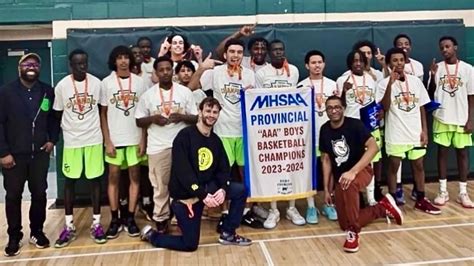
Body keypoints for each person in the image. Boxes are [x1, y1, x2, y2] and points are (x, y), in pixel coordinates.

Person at [140, 97, 252, 250]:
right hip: (187, 196)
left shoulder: (215, 140)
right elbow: (183, 173)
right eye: (208, 111)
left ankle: (228, 233)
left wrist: (223, 189)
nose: (211, 115)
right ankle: (152, 236)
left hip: (206, 190)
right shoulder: (184, 137)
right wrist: (203, 195)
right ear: (200, 112)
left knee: (240, 190)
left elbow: (224, 170)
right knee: (190, 244)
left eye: (215, 112)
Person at [319, 95, 403, 253]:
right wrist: (326, 189)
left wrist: (353, 171)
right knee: (343, 223)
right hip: (341, 177)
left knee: (347, 184)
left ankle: (353, 233)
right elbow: (326, 160)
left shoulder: (355, 125)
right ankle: (381, 208)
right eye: (330, 108)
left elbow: (373, 147)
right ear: (326, 111)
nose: (334, 110)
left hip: (361, 170)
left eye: (337, 107)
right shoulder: (324, 130)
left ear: (343, 108)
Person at [199, 38, 263, 228]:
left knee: (246, 173)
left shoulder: (250, 75)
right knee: (223, 175)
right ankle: (224, 213)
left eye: (239, 52)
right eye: (232, 51)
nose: (235, 55)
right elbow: (193, 86)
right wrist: (202, 68)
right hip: (222, 131)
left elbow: (258, 102)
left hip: (244, 131)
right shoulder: (215, 73)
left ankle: (246, 210)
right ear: (225, 54)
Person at [0, 53, 59, 256]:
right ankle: (14, 236)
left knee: (40, 195)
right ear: (19, 68)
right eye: (27, 64)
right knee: (14, 196)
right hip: (13, 156)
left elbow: (53, 118)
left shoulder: (47, 91)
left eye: (35, 63)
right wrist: (3, 152)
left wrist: (52, 140)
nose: (31, 67)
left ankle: (37, 232)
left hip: (39, 154)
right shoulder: (5, 93)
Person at [136, 56, 198, 233]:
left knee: (184, 184)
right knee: (160, 186)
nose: (165, 72)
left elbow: (195, 118)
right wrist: (153, 118)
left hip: (182, 146)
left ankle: (182, 216)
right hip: (158, 146)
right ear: (155, 73)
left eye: (168, 69)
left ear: (173, 71)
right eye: (161, 70)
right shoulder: (148, 95)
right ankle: (161, 218)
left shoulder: (184, 92)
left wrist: (181, 117)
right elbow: (139, 121)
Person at [52, 49, 107, 248]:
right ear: (70, 65)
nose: (81, 66)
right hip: (72, 141)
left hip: (93, 138)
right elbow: (56, 115)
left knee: (95, 181)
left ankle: (97, 224)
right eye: (77, 64)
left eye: (84, 63)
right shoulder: (62, 86)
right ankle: (68, 226)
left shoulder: (97, 84)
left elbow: (103, 112)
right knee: (70, 182)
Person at [379, 47, 441, 214]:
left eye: (401, 60)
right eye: (394, 60)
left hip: (415, 131)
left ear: (405, 61)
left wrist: (425, 131)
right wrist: (390, 84)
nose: (398, 63)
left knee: (419, 165)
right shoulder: (383, 84)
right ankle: (392, 202)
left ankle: (421, 199)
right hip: (396, 132)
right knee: (393, 166)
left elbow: (422, 107)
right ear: (389, 63)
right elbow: (384, 107)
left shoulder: (415, 81)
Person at [254, 39, 304, 229]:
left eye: (281, 49)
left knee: (291, 168)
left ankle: (291, 208)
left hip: (290, 127)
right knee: (273, 168)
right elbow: (257, 100)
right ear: (268, 53)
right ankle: (273, 209)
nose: (278, 52)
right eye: (274, 50)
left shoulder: (294, 71)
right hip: (269, 129)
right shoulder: (261, 73)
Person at [100, 46, 147, 239]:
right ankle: (114, 218)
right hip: (115, 139)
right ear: (114, 60)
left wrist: (143, 139)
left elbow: (144, 113)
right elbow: (102, 113)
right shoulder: (106, 82)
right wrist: (107, 140)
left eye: (126, 57)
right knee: (113, 178)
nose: (123, 61)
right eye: (119, 57)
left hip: (135, 137)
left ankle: (130, 217)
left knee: (135, 177)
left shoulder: (140, 82)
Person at [429, 36, 474, 208]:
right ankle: (443, 191)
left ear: (455, 47)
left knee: (462, 154)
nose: (444, 50)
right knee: (442, 153)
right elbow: (431, 92)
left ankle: (463, 192)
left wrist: (471, 119)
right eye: (442, 47)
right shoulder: (437, 68)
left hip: (461, 117)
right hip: (442, 116)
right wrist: (432, 75)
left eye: (447, 46)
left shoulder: (468, 69)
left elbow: (471, 97)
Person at [297, 50, 338, 224]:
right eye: (313, 62)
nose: (317, 65)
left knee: (329, 171)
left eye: (320, 62)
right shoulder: (301, 86)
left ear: (324, 64)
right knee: (309, 172)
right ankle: (311, 205)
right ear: (307, 65)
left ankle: (328, 203)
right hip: (308, 135)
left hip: (328, 133)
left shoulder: (332, 84)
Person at [336, 50, 381, 206]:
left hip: (368, 126)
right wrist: (344, 92)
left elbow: (376, 103)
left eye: (360, 60)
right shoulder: (343, 80)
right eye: (354, 61)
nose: (357, 63)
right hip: (350, 126)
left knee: (370, 163)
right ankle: (355, 196)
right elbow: (338, 107)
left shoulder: (371, 79)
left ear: (365, 62)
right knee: (351, 163)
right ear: (350, 63)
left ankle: (371, 197)